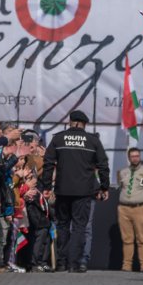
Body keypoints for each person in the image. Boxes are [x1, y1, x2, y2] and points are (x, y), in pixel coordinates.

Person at [39, 109, 109, 273]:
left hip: (62, 190)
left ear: (70, 122)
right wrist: (104, 187)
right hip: (84, 191)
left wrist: (47, 187)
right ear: (84, 124)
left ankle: (61, 263)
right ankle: (73, 263)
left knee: (62, 225)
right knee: (79, 227)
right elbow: (103, 166)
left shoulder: (58, 138)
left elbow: (48, 163)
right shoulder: (92, 141)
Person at [116, 147, 143, 271]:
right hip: (123, 209)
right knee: (126, 239)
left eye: (137, 156)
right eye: (132, 156)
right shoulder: (122, 172)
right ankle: (126, 265)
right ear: (129, 158)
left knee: (142, 239)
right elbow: (120, 186)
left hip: (140, 208)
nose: (135, 158)